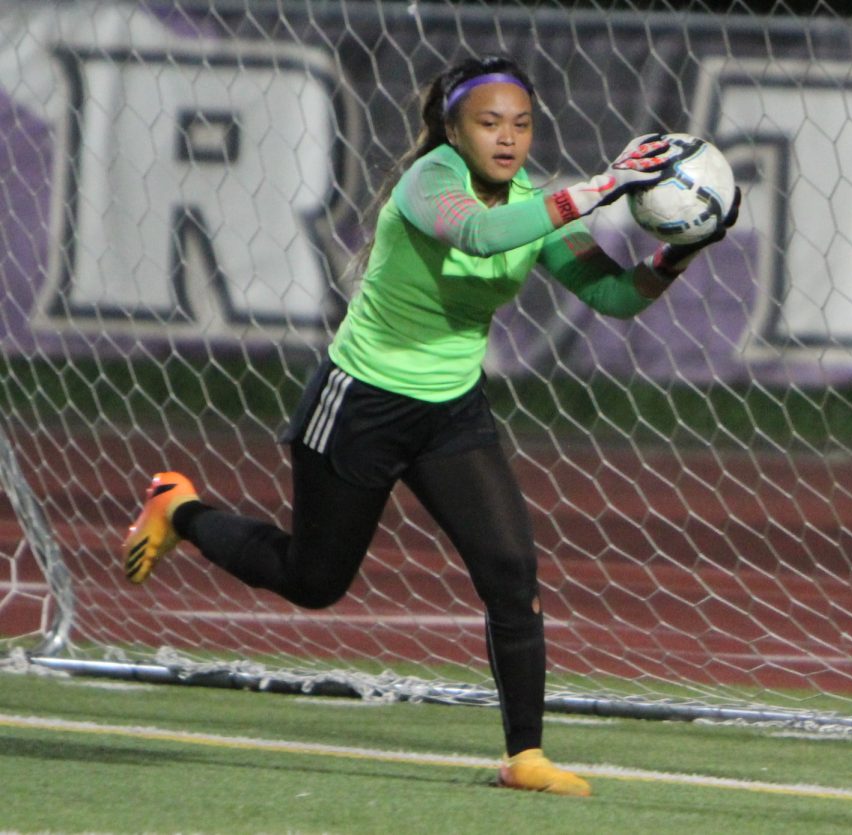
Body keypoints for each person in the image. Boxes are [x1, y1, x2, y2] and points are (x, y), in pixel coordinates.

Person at [123, 54, 739, 797]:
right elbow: (479, 236)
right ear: (454, 129)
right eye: (489, 123)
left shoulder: (536, 199)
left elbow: (613, 294)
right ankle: (179, 506)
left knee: (511, 573)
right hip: (361, 403)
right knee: (313, 580)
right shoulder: (429, 183)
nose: (508, 138)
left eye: (522, 123)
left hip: (452, 411)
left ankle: (526, 755)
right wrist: (604, 187)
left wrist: (680, 251)